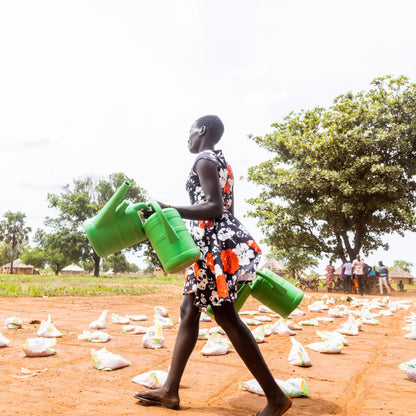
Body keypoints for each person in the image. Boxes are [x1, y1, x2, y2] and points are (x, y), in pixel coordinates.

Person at [133, 115, 292, 416]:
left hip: (211, 244)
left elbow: (215, 208)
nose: (187, 139)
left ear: (202, 131)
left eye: (190, 132)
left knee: (226, 316)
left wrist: (168, 209)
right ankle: (169, 390)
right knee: (188, 310)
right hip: (212, 242)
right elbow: (227, 208)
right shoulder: (222, 162)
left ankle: (275, 397)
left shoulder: (203, 160)